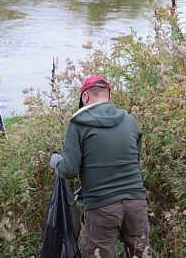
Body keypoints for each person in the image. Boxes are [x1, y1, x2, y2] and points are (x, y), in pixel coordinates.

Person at [50, 76, 149, 258]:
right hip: (136, 203)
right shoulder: (129, 120)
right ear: (108, 95)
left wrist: (56, 162)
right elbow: (133, 161)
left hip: (101, 207)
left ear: (85, 97)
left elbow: (69, 170)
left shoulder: (78, 123)